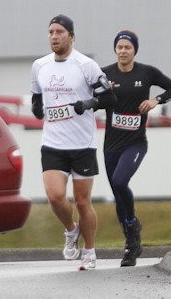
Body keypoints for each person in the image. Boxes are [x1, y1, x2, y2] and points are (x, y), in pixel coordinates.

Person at [31, 14, 116, 271]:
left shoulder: (86, 65)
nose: (54, 36)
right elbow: (36, 98)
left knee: (82, 202)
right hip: (53, 142)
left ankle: (89, 251)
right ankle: (71, 230)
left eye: (59, 32)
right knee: (55, 197)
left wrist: (87, 103)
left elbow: (110, 98)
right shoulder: (40, 66)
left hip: (82, 144)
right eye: (51, 32)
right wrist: (38, 108)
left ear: (71, 36)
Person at [102, 30, 171, 267]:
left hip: (135, 143)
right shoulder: (105, 74)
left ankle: (132, 224)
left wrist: (156, 100)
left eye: (127, 47)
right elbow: (90, 95)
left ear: (134, 50)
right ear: (115, 49)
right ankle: (131, 245)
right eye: (119, 47)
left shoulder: (146, 72)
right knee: (118, 196)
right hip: (111, 144)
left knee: (120, 181)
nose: (123, 51)